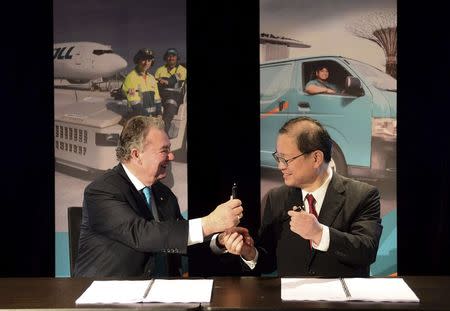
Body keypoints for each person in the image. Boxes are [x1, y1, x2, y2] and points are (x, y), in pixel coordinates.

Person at [74, 116, 244, 277]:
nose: (171, 156)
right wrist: (210, 223)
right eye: (164, 150)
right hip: (107, 299)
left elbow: (177, 240)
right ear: (136, 155)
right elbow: (141, 234)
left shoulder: (164, 194)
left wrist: (220, 241)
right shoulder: (101, 191)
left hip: (159, 298)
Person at [214, 116, 382, 277]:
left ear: (316, 158)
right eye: (278, 158)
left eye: (286, 159)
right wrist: (250, 253)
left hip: (342, 303)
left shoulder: (363, 195)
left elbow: (366, 251)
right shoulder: (276, 198)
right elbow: (268, 261)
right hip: (291, 303)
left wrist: (319, 233)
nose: (280, 166)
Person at [122, 48, 162, 118]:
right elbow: (134, 103)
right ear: (138, 60)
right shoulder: (131, 78)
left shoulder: (152, 78)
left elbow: (157, 99)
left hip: (152, 117)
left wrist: (159, 114)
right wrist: (148, 117)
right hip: (137, 117)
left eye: (149, 60)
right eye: (143, 60)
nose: (146, 63)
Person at [155, 48, 187, 134]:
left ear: (177, 58)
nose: (171, 58)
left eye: (173, 56)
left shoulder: (182, 70)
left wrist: (165, 81)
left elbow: (173, 81)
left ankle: (163, 135)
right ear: (166, 58)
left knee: (168, 114)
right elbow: (155, 83)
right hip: (161, 95)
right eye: (169, 56)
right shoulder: (159, 70)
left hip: (175, 96)